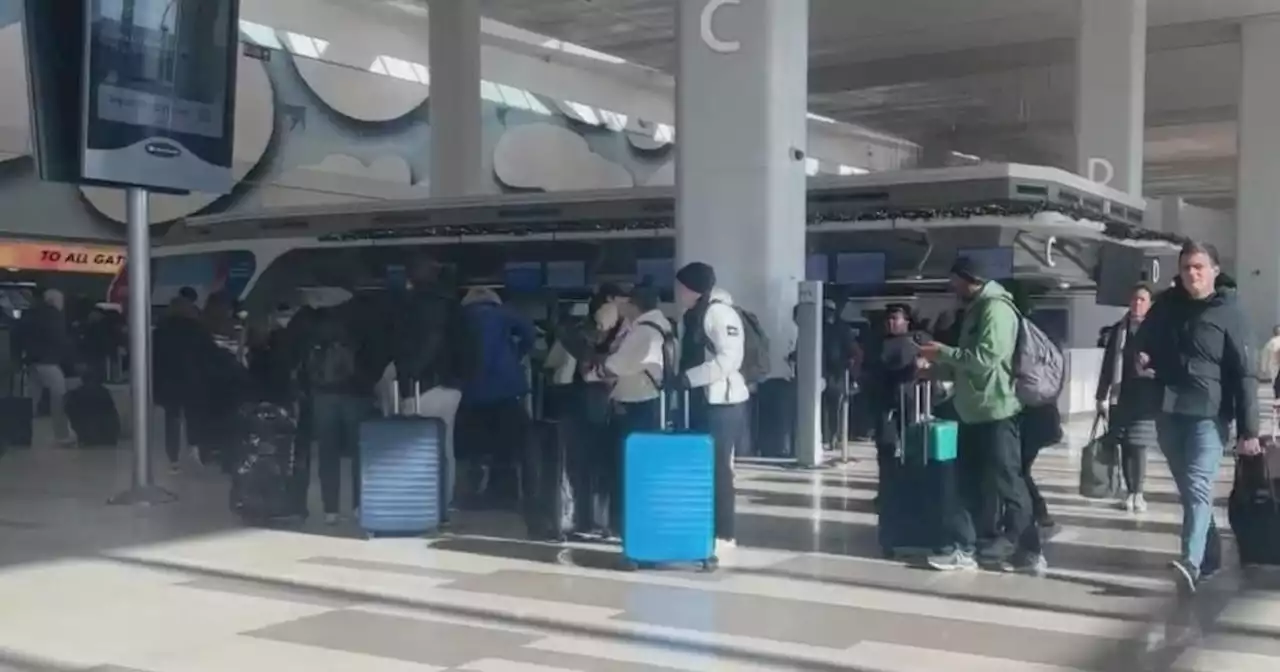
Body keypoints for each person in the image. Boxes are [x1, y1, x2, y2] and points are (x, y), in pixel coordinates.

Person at [1135, 241, 1258, 594]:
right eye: (1187, 266)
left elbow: (1246, 372)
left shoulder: (1230, 312)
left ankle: (1189, 561)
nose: (1192, 273)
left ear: (1214, 271)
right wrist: (1141, 355)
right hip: (1169, 410)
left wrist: (1249, 429)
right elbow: (1142, 340)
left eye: (1199, 267)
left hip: (1209, 413)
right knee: (1190, 490)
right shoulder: (1167, 305)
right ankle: (1212, 554)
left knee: (1198, 487)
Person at [918, 256, 1041, 575]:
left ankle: (1025, 548)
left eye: (954, 280)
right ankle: (971, 548)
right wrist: (935, 369)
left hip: (996, 410)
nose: (951, 287)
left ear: (968, 278)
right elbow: (969, 364)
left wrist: (942, 352)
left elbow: (985, 359)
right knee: (974, 484)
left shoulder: (995, 309)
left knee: (1007, 483)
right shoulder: (977, 308)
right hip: (974, 410)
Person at [671, 262, 750, 556]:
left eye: (681, 286)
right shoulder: (691, 316)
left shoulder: (719, 313)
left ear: (693, 288)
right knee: (699, 467)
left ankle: (724, 533)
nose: (677, 291)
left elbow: (730, 359)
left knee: (719, 470)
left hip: (722, 404)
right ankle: (702, 526)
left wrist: (689, 379)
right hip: (699, 401)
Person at [392, 258, 473, 512]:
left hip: (424, 385)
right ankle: (443, 503)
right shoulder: (453, 305)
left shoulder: (420, 305)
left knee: (415, 447)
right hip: (452, 385)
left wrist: (410, 373)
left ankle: (419, 502)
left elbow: (428, 343)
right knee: (444, 446)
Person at [304, 300, 386, 525]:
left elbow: (305, 362)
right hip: (356, 395)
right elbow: (376, 358)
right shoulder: (363, 323)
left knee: (327, 453)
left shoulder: (316, 326)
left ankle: (331, 509)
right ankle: (359, 505)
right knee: (359, 452)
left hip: (323, 396)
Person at [456, 287, 537, 502]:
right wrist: (516, 355)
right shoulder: (505, 313)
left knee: (473, 444)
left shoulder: (459, 316)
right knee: (511, 443)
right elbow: (530, 334)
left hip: (470, 390)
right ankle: (505, 490)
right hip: (506, 389)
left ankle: (472, 489)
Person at [1095, 283, 1161, 514]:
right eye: (1134, 299)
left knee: (1139, 446)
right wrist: (1101, 396)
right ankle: (1129, 491)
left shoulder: (1156, 330)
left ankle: (1138, 492)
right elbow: (1107, 365)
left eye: (1142, 299)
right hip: (1119, 397)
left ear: (1150, 304)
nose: (1137, 303)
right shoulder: (1117, 330)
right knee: (1124, 445)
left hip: (1144, 398)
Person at [153, 288, 212, 472]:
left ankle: (173, 457)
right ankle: (194, 449)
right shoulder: (196, 328)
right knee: (194, 415)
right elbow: (206, 353)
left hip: (168, 378)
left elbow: (155, 356)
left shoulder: (161, 329)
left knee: (172, 417)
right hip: (192, 376)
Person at [605, 283, 672, 434]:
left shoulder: (644, 332)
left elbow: (616, 366)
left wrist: (595, 365)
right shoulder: (660, 324)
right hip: (649, 398)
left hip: (638, 402)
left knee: (632, 451)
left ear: (632, 305)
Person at [870, 304, 921, 497]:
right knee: (886, 448)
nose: (891, 323)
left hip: (910, 401)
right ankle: (886, 491)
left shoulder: (916, 342)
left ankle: (908, 490)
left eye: (895, 319)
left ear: (906, 322)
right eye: (888, 319)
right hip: (886, 402)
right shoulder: (879, 344)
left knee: (911, 448)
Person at [18, 289, 75, 446]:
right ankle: (62, 435)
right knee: (59, 396)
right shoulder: (53, 315)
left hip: (32, 360)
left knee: (31, 399)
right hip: (49, 360)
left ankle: (20, 433)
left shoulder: (31, 314)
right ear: (54, 301)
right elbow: (58, 338)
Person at [1261, 325, 1280, 393]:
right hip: (1274, 365)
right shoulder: (1271, 342)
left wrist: (1264, 368)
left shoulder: (1270, 342)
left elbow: (1265, 356)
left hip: (1274, 366)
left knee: (1275, 382)